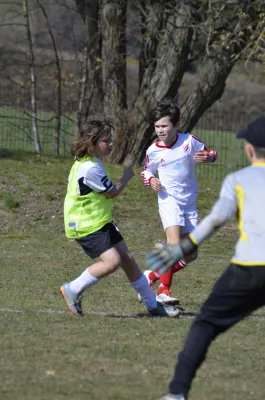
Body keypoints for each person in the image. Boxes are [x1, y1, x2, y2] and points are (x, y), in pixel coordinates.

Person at [146, 116, 265, 400]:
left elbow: (215, 221)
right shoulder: (155, 151)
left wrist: (181, 248)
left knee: (204, 325)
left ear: (249, 149)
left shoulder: (238, 180)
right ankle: (159, 284)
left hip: (248, 269)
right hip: (174, 204)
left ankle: (177, 393)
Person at [60, 118, 179, 318]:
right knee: (112, 261)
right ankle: (72, 288)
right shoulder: (90, 168)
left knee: (127, 259)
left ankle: (153, 306)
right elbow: (111, 192)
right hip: (86, 224)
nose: (111, 143)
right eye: (106, 140)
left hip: (99, 220)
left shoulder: (90, 162)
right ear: (93, 142)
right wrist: (125, 177)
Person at [140, 98, 217, 305]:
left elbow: (211, 152)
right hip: (168, 199)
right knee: (173, 244)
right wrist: (151, 179)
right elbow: (146, 170)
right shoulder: (153, 150)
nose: (160, 130)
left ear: (176, 125)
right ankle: (163, 291)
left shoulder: (189, 141)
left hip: (188, 201)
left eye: (165, 125)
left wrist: (208, 157)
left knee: (191, 253)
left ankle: (153, 276)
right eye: (157, 126)